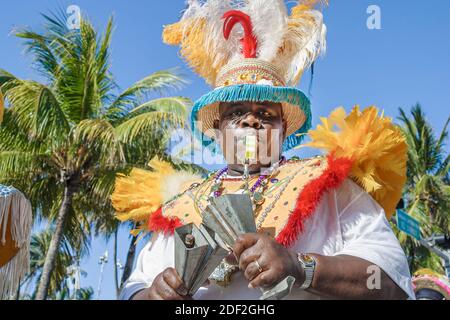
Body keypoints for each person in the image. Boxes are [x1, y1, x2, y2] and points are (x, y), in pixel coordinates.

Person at [112, 0, 414, 300]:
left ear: (283, 129)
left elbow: (390, 283)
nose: (251, 121)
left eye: (265, 114)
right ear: (219, 131)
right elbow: (134, 288)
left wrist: (300, 266)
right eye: (236, 112)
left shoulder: (330, 188)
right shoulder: (181, 205)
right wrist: (153, 294)